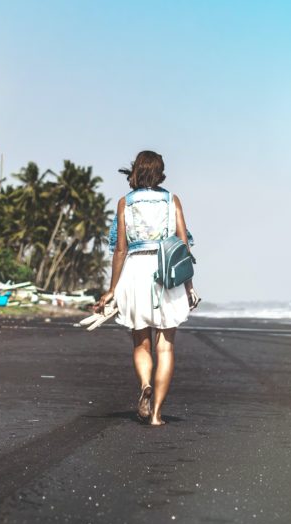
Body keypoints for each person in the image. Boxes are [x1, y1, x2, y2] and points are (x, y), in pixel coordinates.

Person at [95, 150, 198, 427]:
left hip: (136, 270)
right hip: (166, 271)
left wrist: (111, 290)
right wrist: (189, 286)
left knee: (141, 342)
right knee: (165, 348)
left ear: (136, 171)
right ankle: (155, 415)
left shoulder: (125, 202)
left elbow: (119, 249)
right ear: (160, 172)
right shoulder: (171, 200)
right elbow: (183, 244)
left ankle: (144, 385)